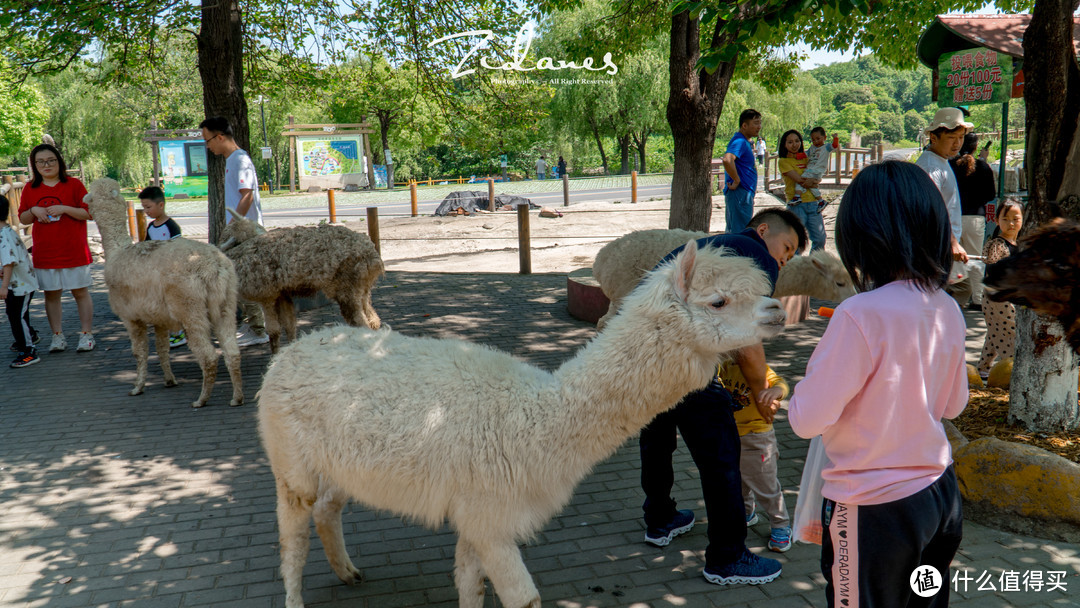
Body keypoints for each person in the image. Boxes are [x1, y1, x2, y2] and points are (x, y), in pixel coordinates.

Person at [789, 161, 967, 608]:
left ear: (862, 235)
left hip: (872, 509)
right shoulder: (946, 306)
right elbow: (953, 406)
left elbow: (807, 420)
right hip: (939, 495)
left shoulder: (859, 314)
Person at [640, 207, 806, 586]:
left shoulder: (710, 247)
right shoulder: (756, 257)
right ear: (762, 230)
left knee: (656, 440)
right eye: (787, 246)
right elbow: (748, 340)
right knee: (722, 460)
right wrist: (761, 388)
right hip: (686, 363)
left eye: (791, 255)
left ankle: (660, 518)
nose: (783, 258)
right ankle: (727, 557)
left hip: (646, 359)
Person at [17, 143, 95, 353]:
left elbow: (89, 213)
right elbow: (23, 218)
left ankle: (86, 335)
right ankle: (57, 336)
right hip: (46, 251)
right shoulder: (30, 188)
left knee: (80, 292)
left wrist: (66, 209)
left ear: (58, 161)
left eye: (50, 160)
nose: (46, 165)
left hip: (74, 249)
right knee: (52, 294)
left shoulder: (74, 185)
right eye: (40, 162)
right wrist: (34, 209)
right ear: (35, 165)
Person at [199, 116, 268, 347]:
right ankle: (253, 325)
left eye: (208, 140)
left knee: (244, 279)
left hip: (245, 232)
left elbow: (246, 195)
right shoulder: (233, 160)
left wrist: (234, 228)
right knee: (238, 278)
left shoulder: (240, 159)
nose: (207, 146)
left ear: (220, 137)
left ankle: (258, 329)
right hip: (241, 231)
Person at [718, 359, 791, 552]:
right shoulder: (722, 367)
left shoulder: (757, 366)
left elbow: (780, 383)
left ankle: (781, 525)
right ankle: (747, 514)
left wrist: (776, 392)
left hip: (756, 437)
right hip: (730, 434)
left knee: (766, 486)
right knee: (738, 483)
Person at [915, 107, 972, 305]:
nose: (957, 144)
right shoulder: (930, 166)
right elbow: (932, 210)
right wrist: (953, 242)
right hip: (935, 249)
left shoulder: (940, 161)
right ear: (933, 137)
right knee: (943, 299)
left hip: (941, 248)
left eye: (960, 137)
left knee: (955, 294)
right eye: (951, 138)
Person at [977, 198, 1023, 380]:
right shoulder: (997, 245)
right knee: (1009, 333)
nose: (1011, 223)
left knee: (995, 332)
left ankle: (983, 368)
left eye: (1015, 218)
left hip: (1009, 296)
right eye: (1005, 219)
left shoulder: (1018, 244)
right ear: (996, 220)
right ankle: (1012, 372)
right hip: (999, 297)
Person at [950, 132, 997, 310]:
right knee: (976, 258)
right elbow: (991, 195)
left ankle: (958, 296)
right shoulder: (983, 167)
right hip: (976, 217)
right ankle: (978, 299)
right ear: (976, 146)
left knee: (955, 259)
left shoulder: (950, 165)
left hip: (954, 218)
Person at [139, 186, 187, 348]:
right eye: (144, 208)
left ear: (161, 205)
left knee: (174, 303)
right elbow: (147, 246)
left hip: (172, 273)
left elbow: (179, 248)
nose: (146, 211)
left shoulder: (171, 226)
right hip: (157, 273)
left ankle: (179, 333)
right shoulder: (151, 227)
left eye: (148, 207)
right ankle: (172, 332)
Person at [1, 194, 40, 367]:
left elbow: (9, 263)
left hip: (19, 286)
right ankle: (29, 336)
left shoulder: (3, 237)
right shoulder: (6, 231)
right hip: (18, 284)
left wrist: (3, 287)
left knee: (17, 316)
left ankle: (28, 351)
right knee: (16, 314)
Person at [777, 130, 826, 251]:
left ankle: (814, 267)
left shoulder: (806, 158)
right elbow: (799, 179)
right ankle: (794, 267)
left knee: (820, 239)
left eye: (797, 141)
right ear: (784, 144)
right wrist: (812, 181)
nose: (794, 144)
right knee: (795, 241)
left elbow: (817, 176)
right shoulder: (783, 161)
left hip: (814, 204)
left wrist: (814, 181)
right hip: (796, 206)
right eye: (790, 142)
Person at [722, 109, 762, 232]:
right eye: (755, 123)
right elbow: (727, 160)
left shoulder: (743, 141)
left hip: (742, 194)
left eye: (760, 123)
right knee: (740, 232)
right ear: (744, 125)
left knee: (735, 231)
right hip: (740, 193)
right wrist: (737, 179)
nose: (759, 127)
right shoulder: (740, 141)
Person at [796, 128, 838, 204]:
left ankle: (797, 196)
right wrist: (795, 155)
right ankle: (820, 201)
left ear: (824, 138)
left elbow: (835, 145)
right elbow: (805, 154)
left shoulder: (826, 147)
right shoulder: (812, 148)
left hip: (817, 170)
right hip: (810, 169)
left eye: (818, 139)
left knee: (801, 181)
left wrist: (835, 138)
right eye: (813, 140)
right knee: (811, 185)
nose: (816, 141)